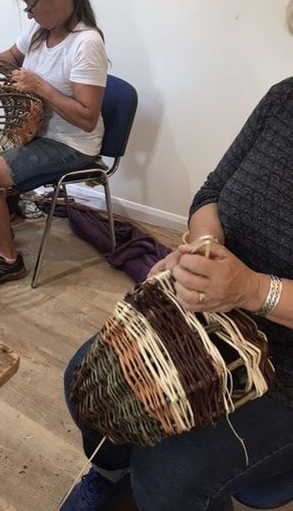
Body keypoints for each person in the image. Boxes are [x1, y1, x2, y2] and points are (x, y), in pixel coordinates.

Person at [61, 77, 293, 510]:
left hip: (286, 371)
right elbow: (212, 195)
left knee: (169, 475)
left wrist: (251, 289)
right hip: (214, 317)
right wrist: (205, 253)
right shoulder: (285, 99)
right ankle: (114, 477)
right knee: (85, 382)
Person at [0, 0, 108, 288]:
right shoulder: (40, 30)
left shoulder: (86, 44)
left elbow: (86, 118)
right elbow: (11, 57)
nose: (30, 12)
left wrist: (39, 86)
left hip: (70, 143)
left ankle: (8, 258)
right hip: (33, 130)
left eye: (32, 3)